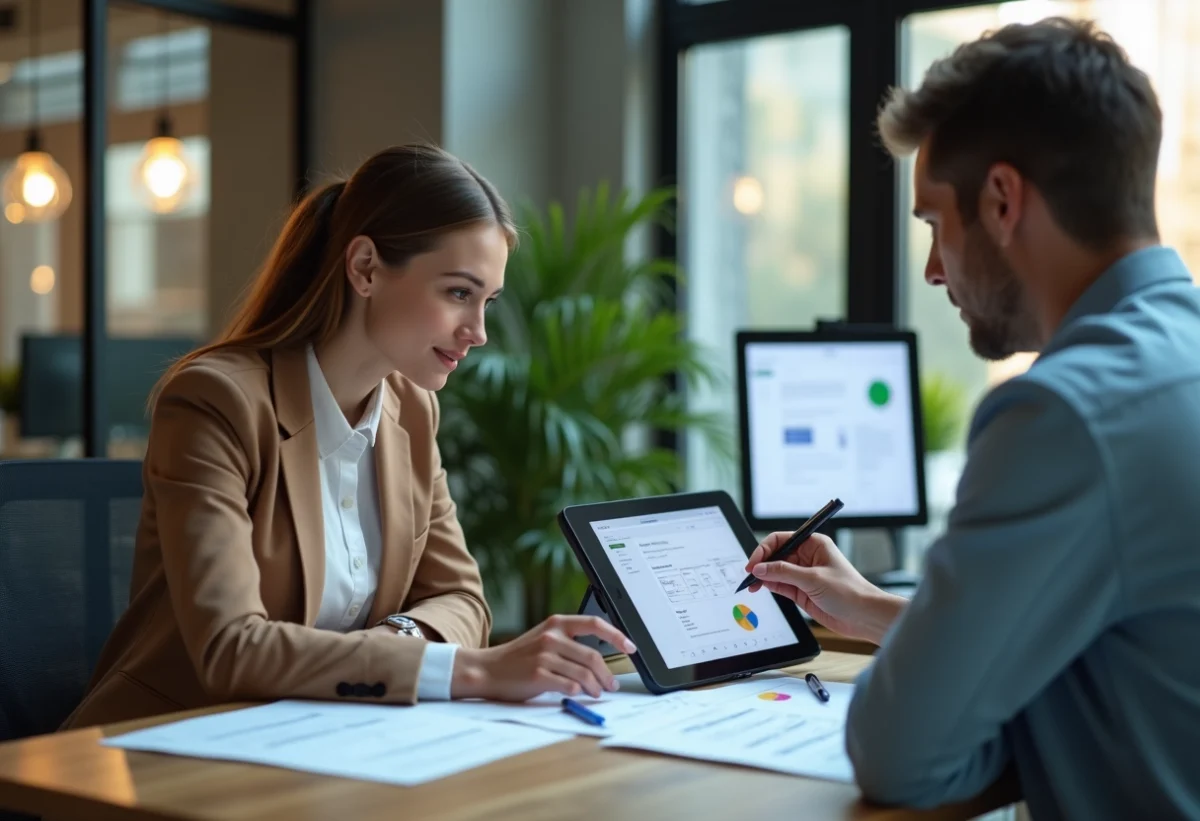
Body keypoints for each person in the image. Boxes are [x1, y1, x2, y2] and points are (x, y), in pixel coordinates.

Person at [745, 17, 1200, 821]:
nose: (930, 268)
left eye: (931, 223)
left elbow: (897, 753)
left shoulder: (1064, 413)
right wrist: (875, 609)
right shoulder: (1177, 359)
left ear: (1000, 201)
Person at [63, 144, 635, 730]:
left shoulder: (412, 411)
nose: (479, 332)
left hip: (323, 735)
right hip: (172, 741)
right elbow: (230, 647)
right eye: (458, 293)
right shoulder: (218, 402)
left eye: (487, 301)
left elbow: (464, 601)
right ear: (364, 268)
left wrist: (398, 640)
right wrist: (475, 671)